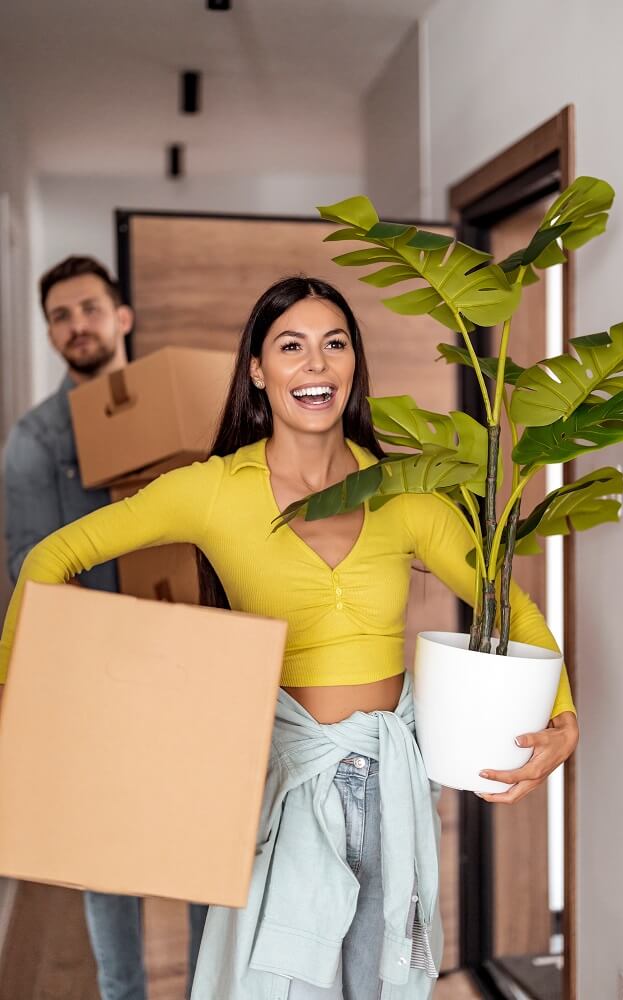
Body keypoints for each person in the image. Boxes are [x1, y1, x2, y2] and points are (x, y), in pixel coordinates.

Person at [0, 276, 579, 999]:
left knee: (383, 988)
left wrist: (563, 718)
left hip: (395, 790)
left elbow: (508, 605)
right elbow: (49, 558)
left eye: (334, 344)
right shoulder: (212, 489)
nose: (316, 364)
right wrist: (21, 706)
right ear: (257, 369)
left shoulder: (404, 491)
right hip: (277, 787)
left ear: (354, 364)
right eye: (291, 346)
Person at [1, 255, 207, 1000]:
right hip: (97, 679)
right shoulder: (34, 440)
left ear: (122, 317)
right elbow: (28, 566)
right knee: (109, 867)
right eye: (60, 316)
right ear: (50, 333)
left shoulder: (179, 407)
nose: (76, 326)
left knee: (200, 853)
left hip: (187, 664)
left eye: (89, 308)